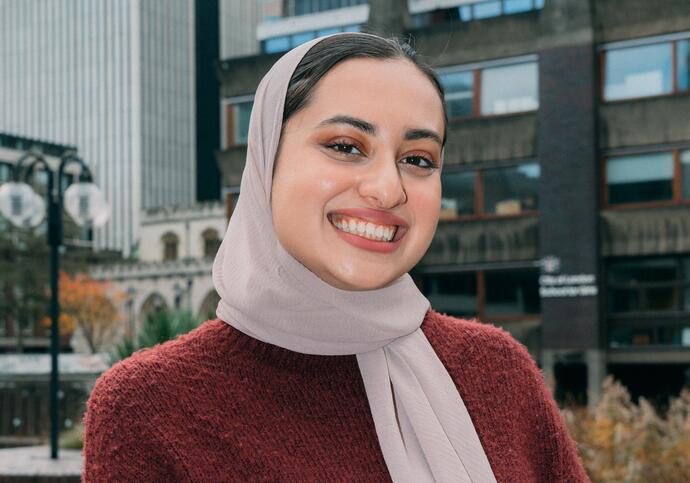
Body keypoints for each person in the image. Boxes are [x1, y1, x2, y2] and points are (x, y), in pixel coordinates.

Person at [82, 32, 590, 482]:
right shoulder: (149, 406)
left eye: (418, 160)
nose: (388, 189)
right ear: (266, 161)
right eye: (346, 146)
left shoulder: (498, 372)